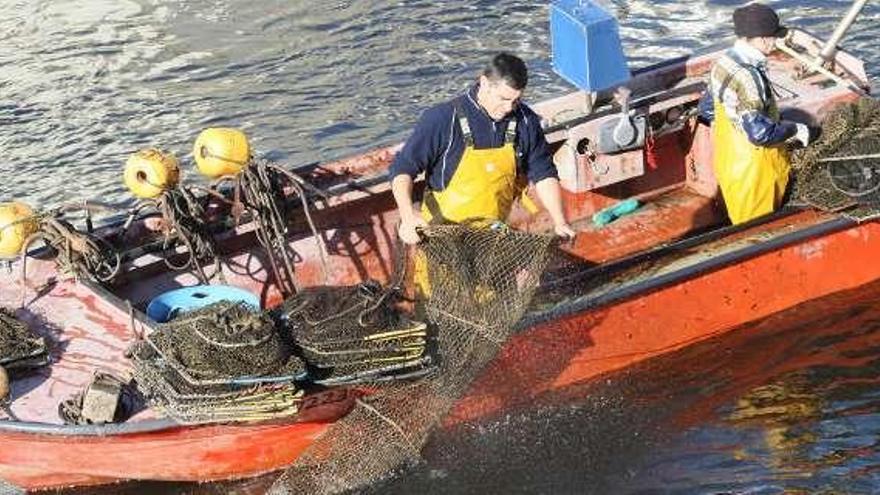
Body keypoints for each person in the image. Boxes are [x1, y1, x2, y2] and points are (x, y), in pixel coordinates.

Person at [389, 52, 575, 244]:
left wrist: (560, 221)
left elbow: (543, 173)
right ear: (484, 83)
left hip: (491, 239)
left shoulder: (525, 121)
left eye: (516, 100)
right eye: (503, 99)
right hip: (441, 239)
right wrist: (408, 215)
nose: (509, 108)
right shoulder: (443, 118)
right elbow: (402, 170)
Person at [698, 2, 819, 225]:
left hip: (730, 161)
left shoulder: (723, 63)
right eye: (774, 37)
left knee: (740, 219)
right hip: (754, 172)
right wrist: (797, 129)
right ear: (763, 39)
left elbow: (707, 109)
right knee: (758, 228)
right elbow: (760, 134)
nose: (776, 42)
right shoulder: (749, 76)